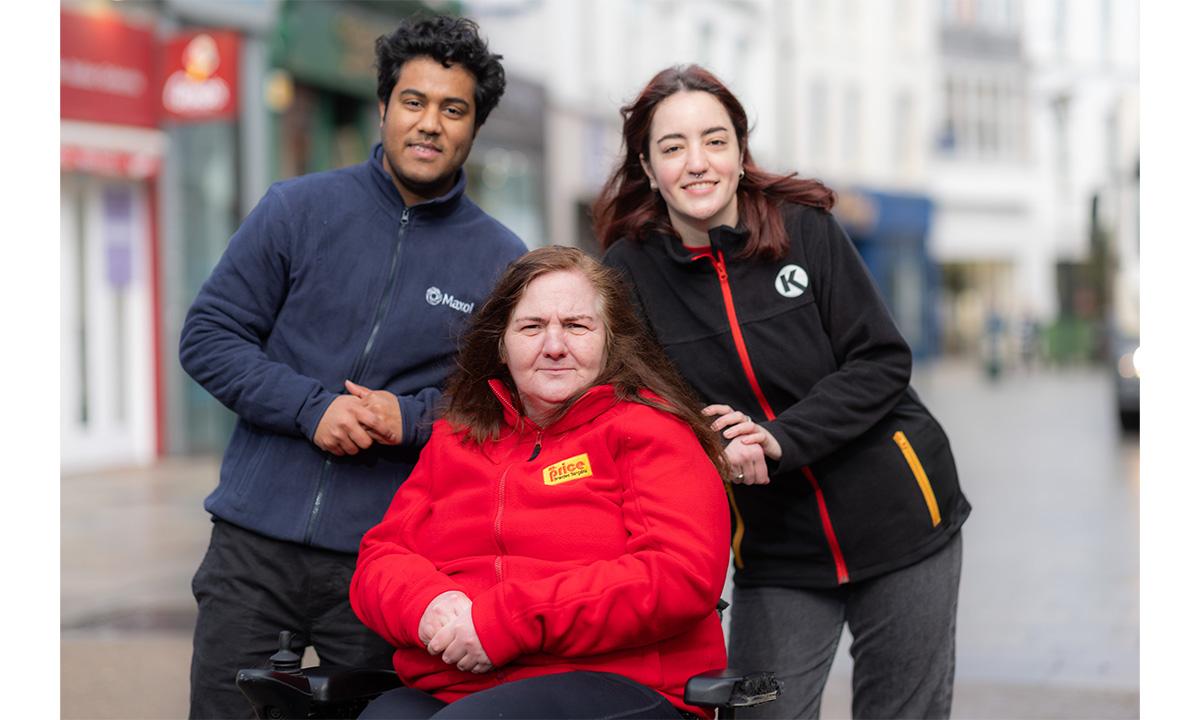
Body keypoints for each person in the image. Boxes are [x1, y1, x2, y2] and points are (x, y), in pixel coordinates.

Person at [595, 65, 972, 720]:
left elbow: (881, 359)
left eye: (714, 140)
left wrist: (780, 438)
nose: (697, 163)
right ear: (649, 169)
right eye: (673, 147)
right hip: (776, 548)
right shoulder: (628, 273)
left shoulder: (804, 227)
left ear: (741, 154)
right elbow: (638, 406)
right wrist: (703, 441)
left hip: (903, 521)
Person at [178, 15, 526, 718]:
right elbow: (209, 335)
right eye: (414, 101)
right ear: (384, 107)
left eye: (452, 109)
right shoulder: (296, 210)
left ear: (473, 127)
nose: (429, 123)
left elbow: (509, 404)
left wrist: (414, 417)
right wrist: (311, 408)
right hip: (253, 549)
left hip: (389, 562)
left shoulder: (501, 260)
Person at [348, 246, 731, 719]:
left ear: (611, 341)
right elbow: (381, 557)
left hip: (618, 683)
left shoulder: (650, 430)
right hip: (459, 685)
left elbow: (678, 574)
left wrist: (506, 620)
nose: (554, 345)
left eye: (576, 326)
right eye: (532, 327)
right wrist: (428, 605)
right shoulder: (456, 436)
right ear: (501, 346)